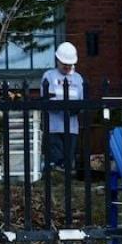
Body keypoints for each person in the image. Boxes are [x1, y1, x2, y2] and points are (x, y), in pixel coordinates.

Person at [40, 41, 84, 171]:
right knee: (56, 162)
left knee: (68, 162)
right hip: (54, 127)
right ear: (58, 60)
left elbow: (81, 100)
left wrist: (74, 109)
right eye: (64, 64)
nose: (67, 67)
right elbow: (47, 99)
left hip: (71, 127)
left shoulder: (78, 79)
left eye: (69, 64)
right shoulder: (49, 76)